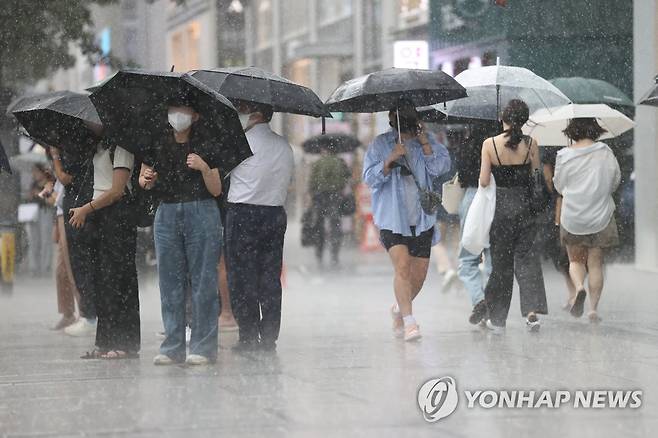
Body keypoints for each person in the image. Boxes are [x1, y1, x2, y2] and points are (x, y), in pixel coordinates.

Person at [140, 98, 223, 365]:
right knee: (169, 281)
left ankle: (203, 346)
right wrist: (147, 180)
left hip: (202, 210)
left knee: (203, 281)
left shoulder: (207, 143)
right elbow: (144, 180)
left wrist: (204, 167)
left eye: (183, 110)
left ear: (195, 115)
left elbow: (216, 189)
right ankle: (172, 346)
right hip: (167, 213)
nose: (177, 115)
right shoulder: (157, 142)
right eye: (172, 109)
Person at [362, 102, 451, 342]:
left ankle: (399, 308)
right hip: (392, 218)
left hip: (422, 218)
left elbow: (441, 168)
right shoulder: (381, 144)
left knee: (419, 275)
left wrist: (424, 143)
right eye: (397, 116)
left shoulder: (429, 140)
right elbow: (369, 179)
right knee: (402, 267)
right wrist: (390, 160)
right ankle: (410, 322)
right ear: (391, 118)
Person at [226, 100, 294, 352]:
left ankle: (247, 333)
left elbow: (219, 175)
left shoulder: (239, 143)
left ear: (255, 115)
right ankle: (268, 335)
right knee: (269, 276)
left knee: (242, 277)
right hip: (274, 215)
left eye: (242, 110)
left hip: (242, 214)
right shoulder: (285, 146)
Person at [479, 99, 548, 333]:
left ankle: (498, 320)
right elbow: (537, 178)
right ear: (524, 120)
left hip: (501, 211)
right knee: (527, 260)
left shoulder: (490, 144)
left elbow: (484, 180)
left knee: (502, 265)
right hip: (526, 209)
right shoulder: (531, 144)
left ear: (503, 117)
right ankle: (531, 312)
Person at [69, 138, 140, 359]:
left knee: (119, 279)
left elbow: (117, 191)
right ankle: (105, 340)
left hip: (118, 216)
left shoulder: (122, 147)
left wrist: (86, 209)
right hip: (99, 216)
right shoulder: (98, 146)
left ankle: (124, 342)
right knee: (102, 279)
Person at [553, 118, 620, 323]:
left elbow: (558, 185)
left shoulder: (564, 155)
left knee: (575, 261)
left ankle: (579, 288)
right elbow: (615, 180)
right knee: (596, 264)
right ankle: (592, 309)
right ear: (595, 130)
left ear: (572, 131)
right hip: (600, 215)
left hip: (573, 216)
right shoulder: (605, 152)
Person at [455, 122, 497, 325]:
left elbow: (462, 177)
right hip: (495, 199)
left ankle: (479, 300)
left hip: (472, 198)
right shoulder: (500, 146)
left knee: (468, 259)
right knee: (492, 258)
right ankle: (490, 306)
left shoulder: (468, 144)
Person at [56, 148, 98, 337]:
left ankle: (88, 314)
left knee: (81, 264)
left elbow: (65, 177)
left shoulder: (76, 146)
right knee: (77, 264)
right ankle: (86, 313)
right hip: (74, 206)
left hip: (82, 207)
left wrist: (56, 154)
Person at [540, 146, 578, 310]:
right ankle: (576, 291)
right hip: (580, 202)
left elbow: (549, 180)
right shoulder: (575, 147)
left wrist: (555, 191)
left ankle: (573, 292)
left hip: (557, 207)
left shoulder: (550, 149)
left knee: (561, 254)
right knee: (576, 254)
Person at [308, 145, 351, 267]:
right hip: (335, 196)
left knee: (319, 225)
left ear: (325, 150)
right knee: (335, 225)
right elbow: (347, 177)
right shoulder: (340, 162)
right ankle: (334, 254)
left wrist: (312, 193)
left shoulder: (319, 162)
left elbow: (312, 181)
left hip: (320, 196)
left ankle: (319, 253)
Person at [26, 163, 55, 276]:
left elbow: (50, 199)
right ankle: (34, 268)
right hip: (33, 213)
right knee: (34, 240)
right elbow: (29, 198)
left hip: (45, 211)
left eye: (36, 172)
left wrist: (38, 194)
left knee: (45, 240)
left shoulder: (48, 183)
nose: (34, 174)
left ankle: (46, 267)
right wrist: (30, 195)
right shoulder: (33, 183)